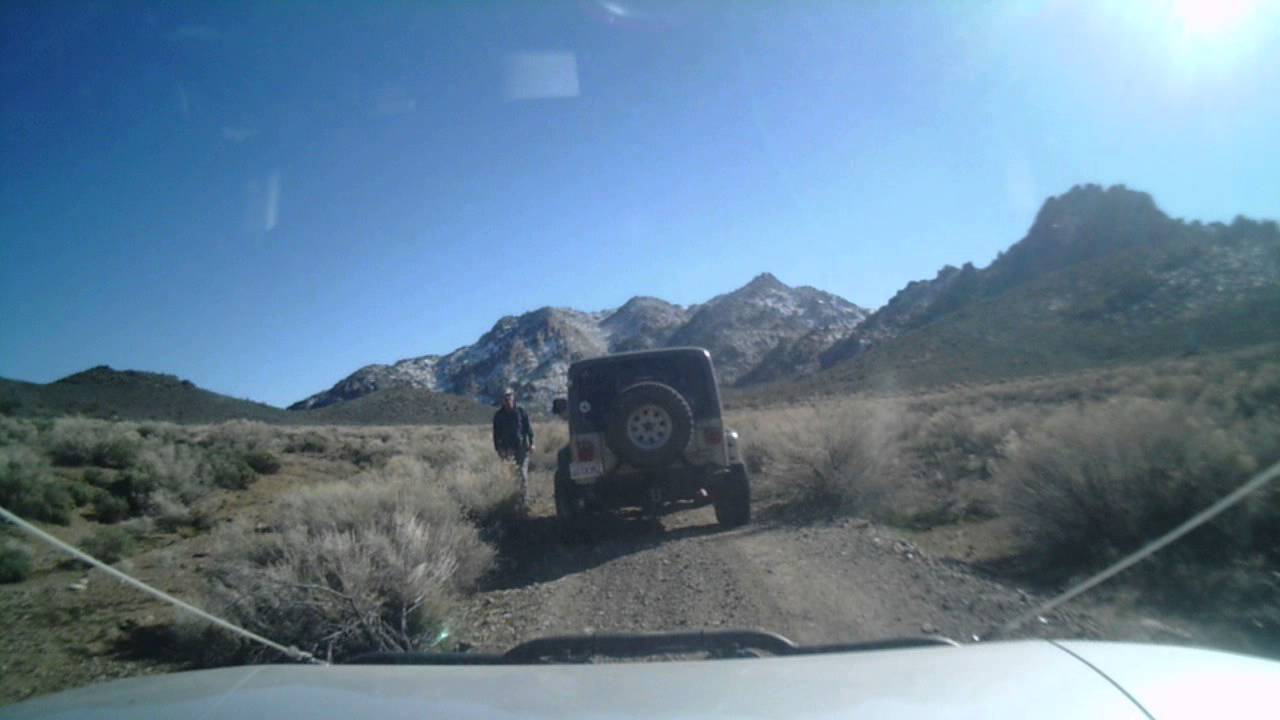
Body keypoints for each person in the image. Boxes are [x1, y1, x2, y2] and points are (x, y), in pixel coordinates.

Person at [492, 387, 534, 512]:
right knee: (511, 476)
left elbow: (528, 429)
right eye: (505, 398)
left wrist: (532, 443)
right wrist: (498, 449)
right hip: (507, 449)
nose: (507, 400)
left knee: (522, 474)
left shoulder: (521, 411)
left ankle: (525, 502)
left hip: (522, 448)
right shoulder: (498, 416)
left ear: (513, 398)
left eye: (509, 397)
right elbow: (496, 434)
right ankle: (514, 500)